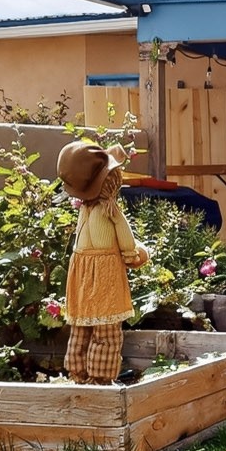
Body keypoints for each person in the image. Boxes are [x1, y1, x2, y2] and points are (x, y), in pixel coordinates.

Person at [57, 140, 149, 384]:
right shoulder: (110, 211)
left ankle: (78, 373)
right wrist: (137, 253)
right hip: (104, 275)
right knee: (106, 331)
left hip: (81, 273)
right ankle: (100, 379)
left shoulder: (84, 210)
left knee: (82, 326)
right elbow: (127, 243)